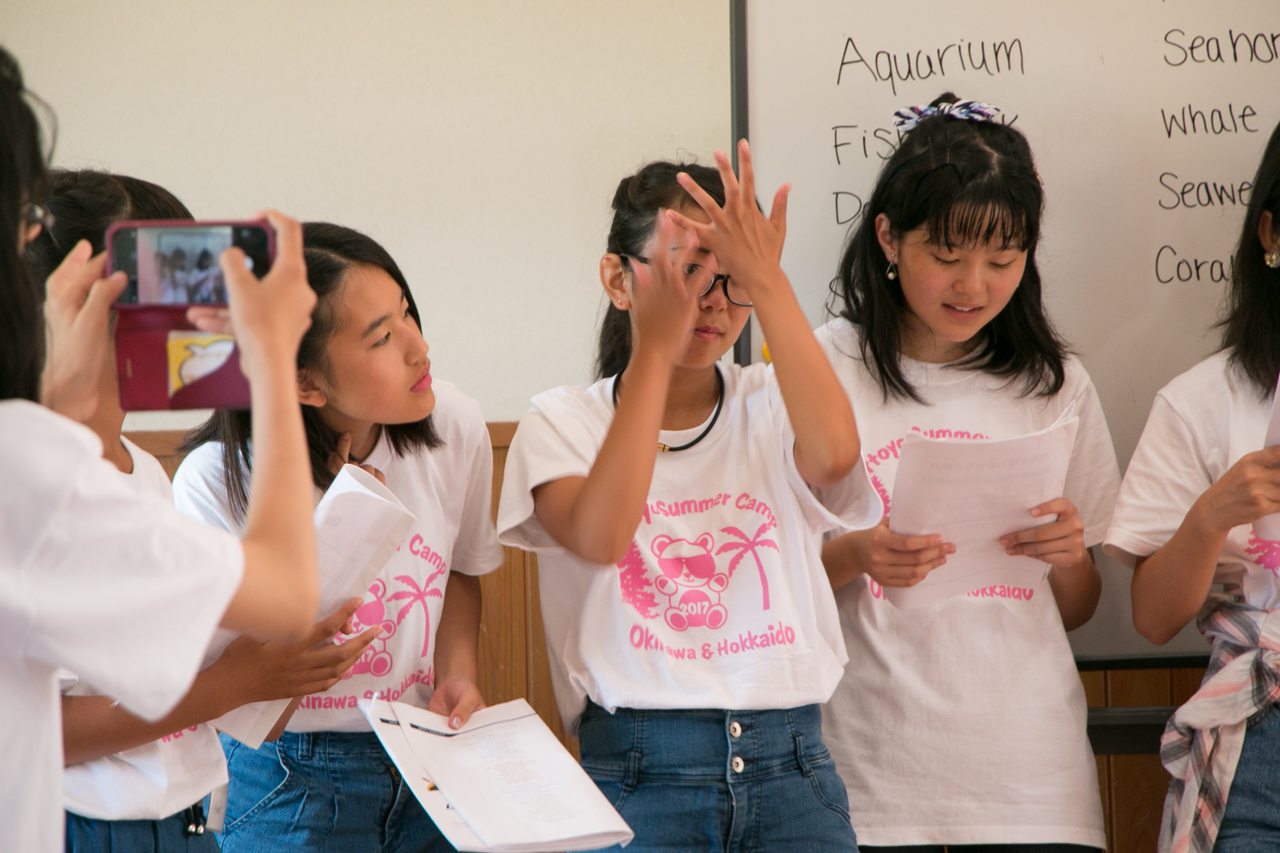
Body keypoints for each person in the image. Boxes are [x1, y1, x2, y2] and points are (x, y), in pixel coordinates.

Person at [497, 144, 881, 852]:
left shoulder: (772, 401)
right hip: (640, 768)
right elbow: (603, 536)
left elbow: (833, 458)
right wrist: (654, 346)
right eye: (689, 272)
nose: (713, 301)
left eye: (732, 278)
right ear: (618, 278)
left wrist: (769, 282)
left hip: (792, 762)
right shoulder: (561, 421)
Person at [0, 46, 321, 853]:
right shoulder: (35, 469)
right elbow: (284, 590)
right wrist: (271, 363)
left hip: (180, 819)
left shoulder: (117, 466)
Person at [25, 170, 383, 852]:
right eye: (179, 284)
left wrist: (255, 674)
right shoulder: (35, 481)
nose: (204, 314)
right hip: (86, 825)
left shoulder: (139, 471)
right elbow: (47, 728)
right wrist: (230, 683)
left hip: (182, 819)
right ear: (101, 302)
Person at [816, 94, 1121, 852]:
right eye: (947, 257)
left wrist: (1068, 555)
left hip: (1032, 784)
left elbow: (1078, 607)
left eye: (1003, 260)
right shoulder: (827, 366)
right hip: (869, 781)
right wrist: (859, 554)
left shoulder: (1054, 384)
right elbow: (774, 583)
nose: (973, 285)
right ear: (888, 237)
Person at [174, 221, 504, 851]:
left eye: (407, 314)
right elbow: (252, 714)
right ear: (305, 381)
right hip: (287, 775)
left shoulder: (454, 423)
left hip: (423, 753)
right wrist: (346, 525)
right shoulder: (215, 481)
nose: (419, 347)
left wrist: (457, 673)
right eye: (382, 337)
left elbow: (461, 569)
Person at [1105, 118, 1280, 853]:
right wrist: (1211, 517)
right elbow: (1151, 619)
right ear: (1271, 233)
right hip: (1259, 731)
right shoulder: (1202, 400)